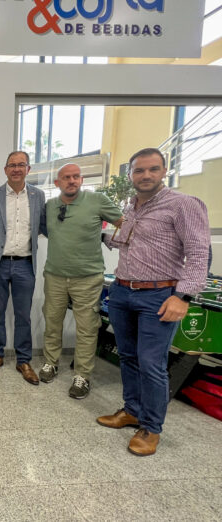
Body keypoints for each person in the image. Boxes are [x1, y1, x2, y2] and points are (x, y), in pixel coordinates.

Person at [97, 148, 209, 456]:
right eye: (139, 170)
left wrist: (183, 296)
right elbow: (125, 242)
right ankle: (132, 410)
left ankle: (151, 427)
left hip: (159, 296)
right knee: (128, 357)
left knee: (152, 364)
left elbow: (199, 253)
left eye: (153, 169)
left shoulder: (184, 204)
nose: (145, 175)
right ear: (131, 174)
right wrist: (93, 233)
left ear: (164, 171)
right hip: (122, 291)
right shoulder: (130, 207)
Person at [39, 163, 123, 399]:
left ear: (82, 180)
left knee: (87, 328)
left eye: (76, 176)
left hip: (88, 278)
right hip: (55, 275)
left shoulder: (97, 200)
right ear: (57, 183)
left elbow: (124, 225)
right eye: (66, 177)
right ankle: (50, 363)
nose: (72, 181)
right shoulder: (50, 205)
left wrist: (110, 240)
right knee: (52, 322)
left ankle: (82, 375)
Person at [0, 151, 46, 385]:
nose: (16, 169)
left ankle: (23, 360)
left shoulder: (38, 196)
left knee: (23, 315)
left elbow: (45, 226)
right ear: (5, 170)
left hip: (25, 264)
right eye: (12, 165)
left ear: (28, 169)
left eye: (21, 165)